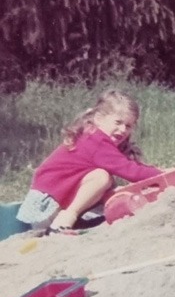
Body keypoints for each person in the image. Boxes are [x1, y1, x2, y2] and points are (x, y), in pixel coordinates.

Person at [17, 89, 162, 234]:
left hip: (55, 200)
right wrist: (161, 174)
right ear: (98, 119)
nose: (123, 129)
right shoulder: (95, 140)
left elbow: (131, 166)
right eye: (118, 122)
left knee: (109, 187)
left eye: (128, 126)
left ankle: (72, 219)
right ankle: (65, 219)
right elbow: (131, 171)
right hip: (47, 206)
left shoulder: (94, 138)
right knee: (101, 177)